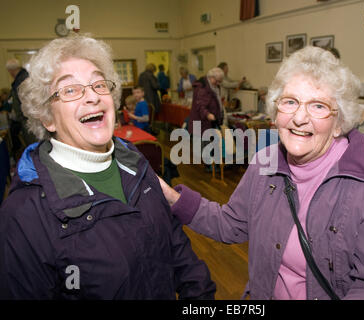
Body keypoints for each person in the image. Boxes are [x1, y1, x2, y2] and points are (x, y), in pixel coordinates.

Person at [159, 46, 364, 300]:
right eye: (290, 102)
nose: (299, 118)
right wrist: (172, 197)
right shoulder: (264, 164)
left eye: (318, 106)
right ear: (275, 111)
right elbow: (231, 223)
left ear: (339, 123)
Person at [0, 34, 216, 300]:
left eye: (99, 84)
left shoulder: (133, 161)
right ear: (47, 118)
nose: (92, 96)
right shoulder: (23, 214)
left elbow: (177, 247)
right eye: (70, 89)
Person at [187, 67, 224, 172]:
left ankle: (213, 164)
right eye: (217, 81)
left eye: (219, 81)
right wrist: (207, 114)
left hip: (212, 120)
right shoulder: (202, 88)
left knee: (212, 142)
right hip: (203, 120)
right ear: (211, 77)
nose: (218, 83)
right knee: (206, 143)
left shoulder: (213, 86)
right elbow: (200, 105)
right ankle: (209, 166)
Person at [5, 59, 36, 158]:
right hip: (28, 118)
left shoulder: (21, 80)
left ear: (10, 71)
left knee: (35, 148)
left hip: (29, 119)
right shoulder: (24, 77)